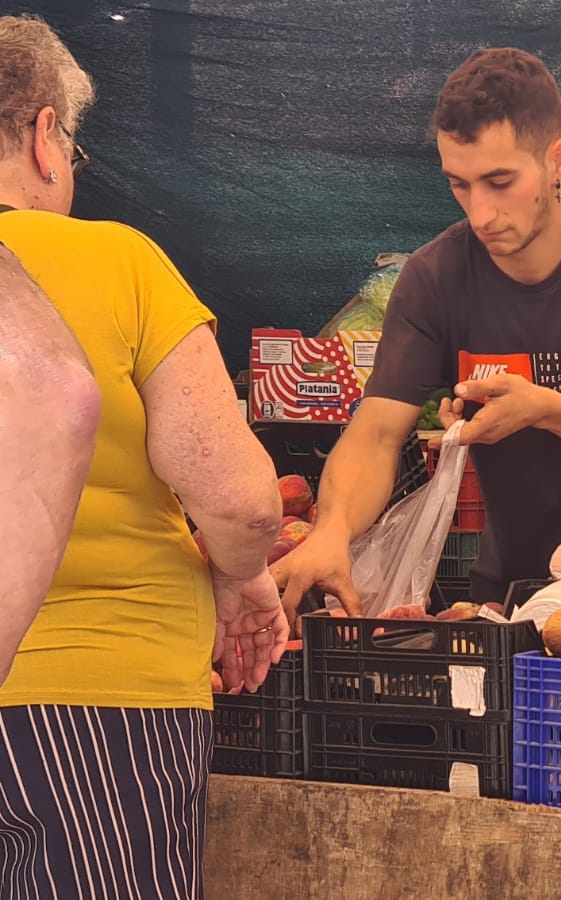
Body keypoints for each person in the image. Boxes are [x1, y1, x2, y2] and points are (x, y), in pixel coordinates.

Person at [274, 48, 561, 621]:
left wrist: (544, 409)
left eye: (500, 181)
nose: (480, 212)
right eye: (459, 185)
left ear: (558, 161)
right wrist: (331, 530)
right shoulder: (435, 278)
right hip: (509, 600)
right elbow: (376, 433)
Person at [0, 15, 287, 896]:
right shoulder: (114, 260)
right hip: (96, 702)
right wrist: (243, 577)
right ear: (46, 135)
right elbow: (240, 500)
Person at [0, 246, 100, 688]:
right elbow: (239, 502)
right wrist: (245, 572)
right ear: (48, 169)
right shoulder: (122, 256)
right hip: (110, 664)